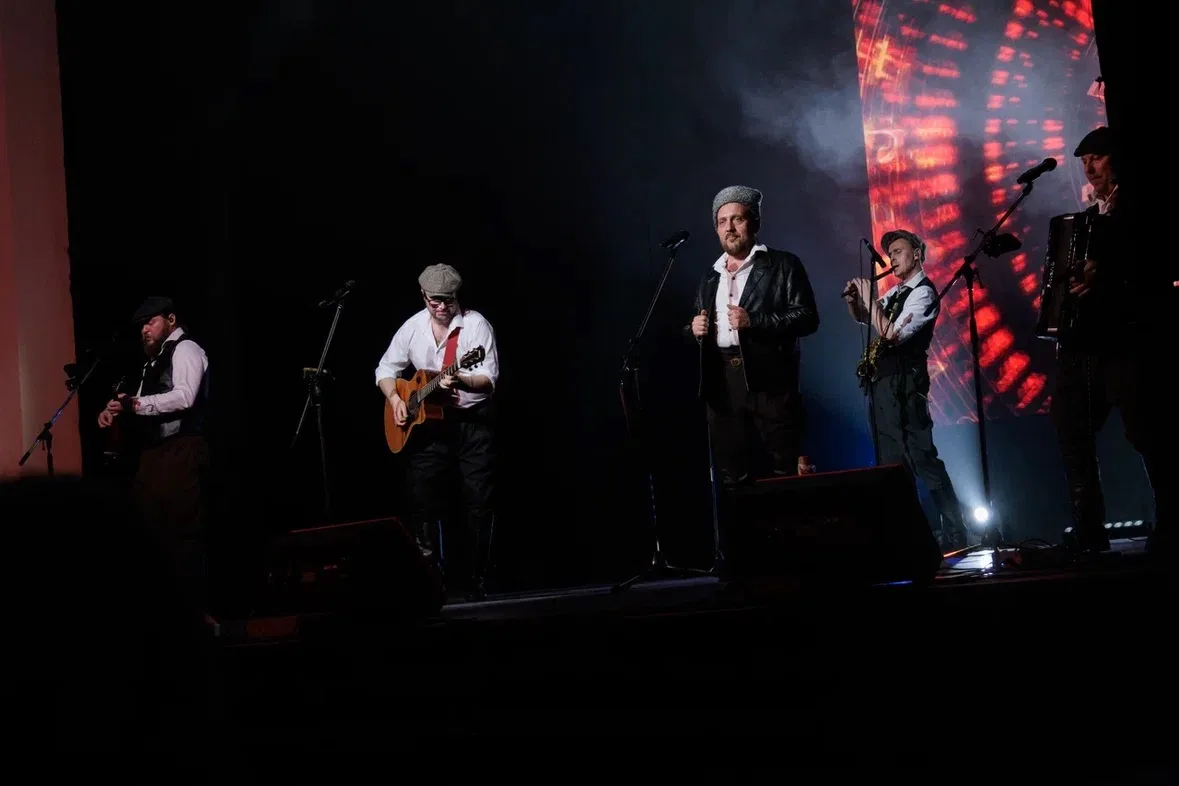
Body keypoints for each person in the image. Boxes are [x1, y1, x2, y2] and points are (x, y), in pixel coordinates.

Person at [1049, 126, 1173, 556]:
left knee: (1147, 430)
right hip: (1089, 343)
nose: (1089, 168)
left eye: (1097, 158)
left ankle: (1172, 523)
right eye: (1084, 161)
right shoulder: (1090, 217)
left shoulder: (1140, 208)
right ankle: (1088, 530)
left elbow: (1152, 269)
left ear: (1117, 160)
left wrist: (1104, 276)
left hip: (1129, 338)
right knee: (1071, 424)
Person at [375, 264, 500, 601]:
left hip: (471, 422)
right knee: (423, 500)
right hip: (430, 426)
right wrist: (395, 399)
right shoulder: (413, 327)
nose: (442, 307)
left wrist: (460, 380)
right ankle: (431, 581)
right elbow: (385, 369)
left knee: (478, 500)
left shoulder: (476, 326)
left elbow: (488, 381)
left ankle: (480, 579)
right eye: (435, 301)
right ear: (423, 296)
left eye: (448, 300)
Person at [843, 230, 968, 552]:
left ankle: (956, 532)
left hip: (907, 384)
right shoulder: (897, 293)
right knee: (891, 463)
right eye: (890, 253)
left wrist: (870, 300)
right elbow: (865, 318)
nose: (892, 258)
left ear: (917, 254)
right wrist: (856, 302)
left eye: (897, 251)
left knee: (922, 457)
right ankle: (909, 537)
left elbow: (892, 335)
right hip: (884, 383)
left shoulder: (923, 294)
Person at [689, 185, 819, 486]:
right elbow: (697, 324)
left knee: (782, 472)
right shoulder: (710, 276)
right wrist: (693, 329)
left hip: (770, 383)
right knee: (733, 477)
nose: (729, 228)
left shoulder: (783, 265)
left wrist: (755, 321)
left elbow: (808, 318)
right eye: (722, 221)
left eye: (738, 219)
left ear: (755, 223)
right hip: (723, 385)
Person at [97, 295, 212, 613]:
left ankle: (196, 613)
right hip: (154, 457)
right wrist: (116, 409)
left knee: (182, 534)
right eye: (141, 326)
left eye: (151, 322)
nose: (144, 330)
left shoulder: (186, 349)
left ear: (171, 320)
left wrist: (136, 404)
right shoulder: (153, 362)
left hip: (181, 450)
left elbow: (184, 396)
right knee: (149, 534)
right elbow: (142, 403)